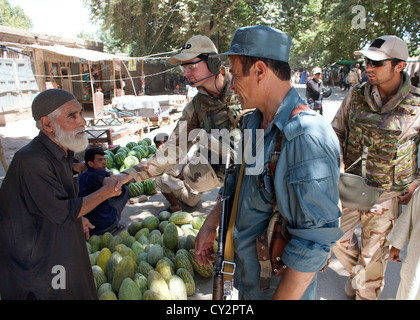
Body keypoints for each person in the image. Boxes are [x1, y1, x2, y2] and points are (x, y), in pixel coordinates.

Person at [194, 25, 343, 300]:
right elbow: (238, 184)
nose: (231, 83)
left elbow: (314, 243)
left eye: (235, 74)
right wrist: (211, 223)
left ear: (260, 71)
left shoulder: (306, 137)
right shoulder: (252, 122)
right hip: (250, 281)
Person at [0, 89, 122, 300]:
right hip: (36, 261)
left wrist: (80, 216)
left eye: (81, 113)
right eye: (72, 116)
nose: (83, 121)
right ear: (47, 124)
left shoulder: (63, 151)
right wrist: (106, 191)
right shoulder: (31, 160)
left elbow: (55, 201)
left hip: (57, 241)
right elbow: (64, 212)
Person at [332, 35, 420, 300]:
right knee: (335, 239)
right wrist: (337, 165)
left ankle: (366, 291)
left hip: (388, 194)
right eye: (367, 61)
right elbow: (335, 133)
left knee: (373, 256)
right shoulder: (355, 95)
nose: (368, 66)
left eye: (377, 63)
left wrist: (416, 181)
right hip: (350, 187)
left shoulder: (416, 105)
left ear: (400, 66)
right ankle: (359, 275)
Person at [112, 35, 242, 203]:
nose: (186, 73)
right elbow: (171, 151)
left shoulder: (244, 86)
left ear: (214, 63)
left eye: (192, 66)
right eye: (183, 68)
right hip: (232, 180)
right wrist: (127, 175)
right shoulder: (196, 108)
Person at [78, 147, 130, 236]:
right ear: (90, 163)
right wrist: (113, 177)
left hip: (87, 226)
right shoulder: (101, 175)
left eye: (104, 159)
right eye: (100, 160)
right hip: (104, 226)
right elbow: (122, 191)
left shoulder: (82, 175)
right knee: (126, 190)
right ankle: (114, 226)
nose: (104, 162)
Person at [152, 133, 202, 213]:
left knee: (159, 178)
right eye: (159, 144)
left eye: (164, 142)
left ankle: (175, 207)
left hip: (191, 196)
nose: (162, 145)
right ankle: (182, 200)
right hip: (194, 193)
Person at [387, 187, 420, 300]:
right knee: (412, 285)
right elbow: (409, 217)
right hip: (416, 259)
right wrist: (396, 245)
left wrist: (397, 245)